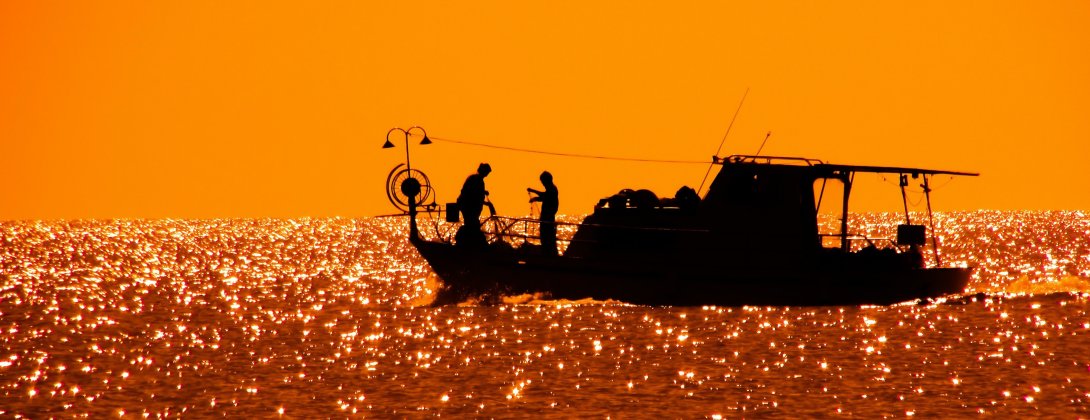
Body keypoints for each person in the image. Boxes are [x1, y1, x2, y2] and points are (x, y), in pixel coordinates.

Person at [455, 163, 493, 248]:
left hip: (467, 206)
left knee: (471, 224)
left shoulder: (475, 179)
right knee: (472, 225)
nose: (487, 175)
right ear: (483, 171)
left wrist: (483, 192)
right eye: (487, 172)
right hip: (468, 207)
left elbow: (475, 193)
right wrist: (486, 203)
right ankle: (469, 246)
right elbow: (473, 195)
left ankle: (467, 244)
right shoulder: (477, 180)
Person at [527, 171, 559, 256]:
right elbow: (544, 197)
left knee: (547, 237)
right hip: (546, 217)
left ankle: (548, 254)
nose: (542, 184)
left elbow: (544, 196)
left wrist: (533, 191)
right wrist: (535, 198)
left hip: (548, 218)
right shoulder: (550, 189)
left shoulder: (552, 189)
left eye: (543, 182)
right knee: (545, 237)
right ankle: (547, 252)